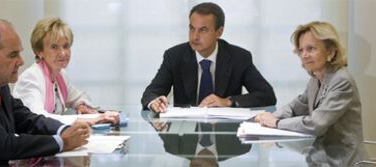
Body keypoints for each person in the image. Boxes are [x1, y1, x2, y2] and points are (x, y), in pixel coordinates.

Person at [0, 19, 91, 166]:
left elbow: (26, 119)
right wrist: (63, 142)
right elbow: (4, 145)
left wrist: (63, 130)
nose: (21, 61)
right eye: (13, 55)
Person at [254, 21, 367, 166]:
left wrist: (276, 123)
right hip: (320, 158)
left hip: (344, 161)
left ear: (330, 52)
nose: (305, 55)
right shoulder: (316, 78)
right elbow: (297, 106)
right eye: (301, 50)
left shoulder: (342, 81)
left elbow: (316, 123)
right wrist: (270, 117)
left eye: (311, 49)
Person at [141, 2, 276, 112]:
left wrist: (228, 102)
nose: (195, 36)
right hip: (186, 137)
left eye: (203, 30)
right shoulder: (174, 56)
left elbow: (267, 95)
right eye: (192, 28)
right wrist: (154, 102)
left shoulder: (239, 57)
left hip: (226, 137)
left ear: (219, 32)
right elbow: (151, 92)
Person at [13, 18, 119, 125]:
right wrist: (89, 120)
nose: (63, 53)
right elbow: (39, 119)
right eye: (54, 47)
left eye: (66, 46)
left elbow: (78, 97)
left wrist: (80, 106)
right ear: (39, 51)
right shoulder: (31, 78)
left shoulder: (60, 75)